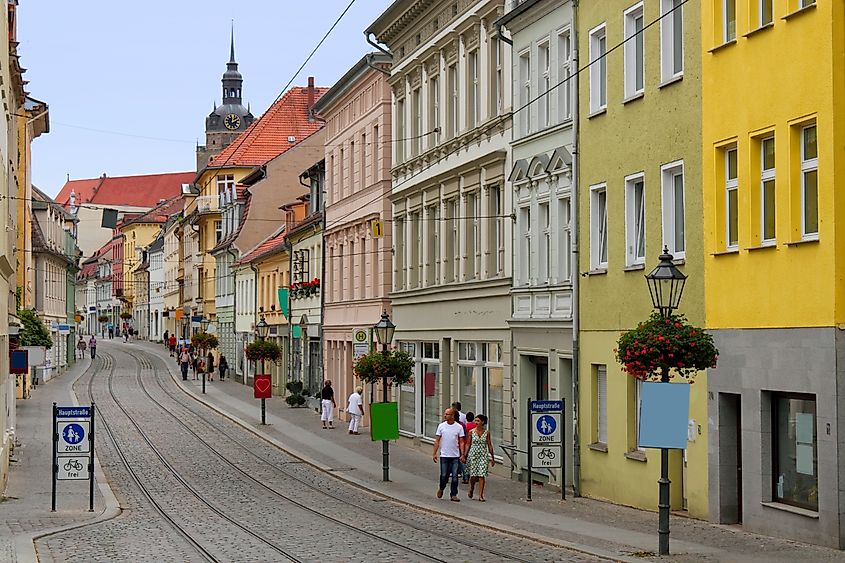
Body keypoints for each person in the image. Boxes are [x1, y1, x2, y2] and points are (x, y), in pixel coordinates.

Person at [432, 408, 466, 502]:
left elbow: (462, 441)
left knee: (455, 476)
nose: (445, 415)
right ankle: (441, 488)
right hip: (444, 455)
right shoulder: (441, 426)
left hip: (455, 455)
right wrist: (434, 453)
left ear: (452, 416)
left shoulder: (459, 427)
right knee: (444, 475)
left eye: (447, 414)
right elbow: (437, 440)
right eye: (445, 413)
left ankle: (453, 494)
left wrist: (462, 454)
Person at [466, 414, 495, 502]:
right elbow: (468, 444)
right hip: (473, 455)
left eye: (478, 421)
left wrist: (492, 457)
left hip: (483, 455)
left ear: (482, 422)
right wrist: (464, 455)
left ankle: (481, 495)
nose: (476, 422)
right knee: (474, 476)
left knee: (482, 475)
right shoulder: (471, 432)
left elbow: (489, 444)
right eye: (475, 421)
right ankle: (471, 488)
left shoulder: (487, 433)